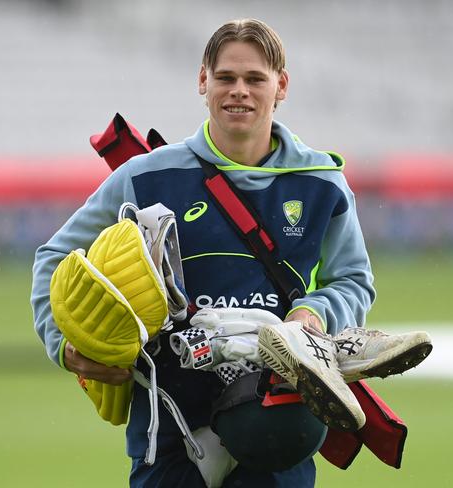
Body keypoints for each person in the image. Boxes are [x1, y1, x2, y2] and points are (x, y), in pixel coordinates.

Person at [31, 18, 430, 487]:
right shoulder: (144, 176)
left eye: (255, 79)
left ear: (280, 85)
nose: (239, 90)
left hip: (278, 419)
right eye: (226, 78)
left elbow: (353, 281)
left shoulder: (322, 183)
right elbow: (56, 257)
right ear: (203, 81)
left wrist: (311, 318)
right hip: (168, 424)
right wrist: (64, 344)